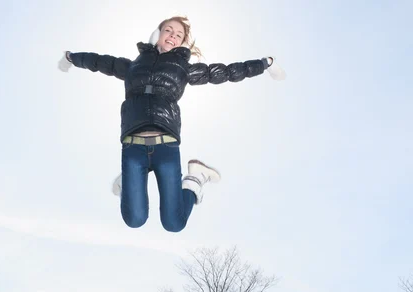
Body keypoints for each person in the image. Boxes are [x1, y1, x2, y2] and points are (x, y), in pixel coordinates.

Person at [59, 16, 283, 232]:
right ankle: (128, 183)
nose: (172, 36)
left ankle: (196, 178)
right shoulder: (132, 66)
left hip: (166, 147)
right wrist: (71, 57)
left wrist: (264, 64)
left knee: (173, 223)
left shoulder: (183, 69)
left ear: (182, 43)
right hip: (132, 146)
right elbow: (98, 62)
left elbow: (225, 72)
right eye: (168, 30)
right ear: (156, 34)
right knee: (134, 220)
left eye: (178, 34)